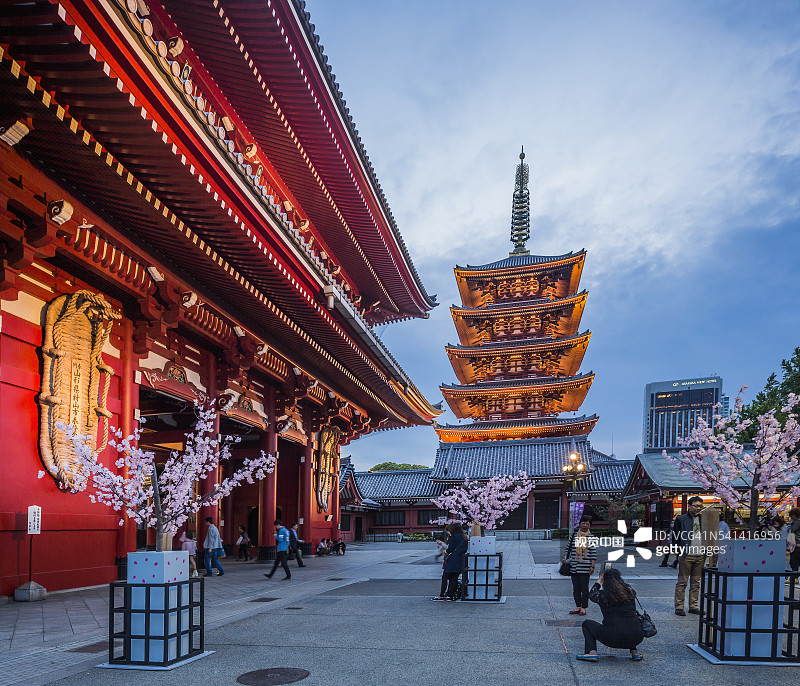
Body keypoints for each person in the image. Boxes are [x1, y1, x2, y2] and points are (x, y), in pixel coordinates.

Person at [576, 567, 645, 662]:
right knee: (628, 622)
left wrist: (599, 580)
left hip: (613, 638)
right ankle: (635, 652)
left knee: (587, 624)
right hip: (637, 637)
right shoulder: (630, 593)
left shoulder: (603, 596)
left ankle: (591, 652)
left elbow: (591, 594)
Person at [673, 496, 704, 615]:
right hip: (686, 554)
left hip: (700, 555)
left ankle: (693, 606)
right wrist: (678, 552)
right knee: (682, 582)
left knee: (696, 582)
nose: (698, 508)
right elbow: (675, 537)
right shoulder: (681, 519)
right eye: (695, 505)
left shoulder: (703, 519)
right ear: (689, 506)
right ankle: (679, 607)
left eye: (700, 506)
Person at [562, 515, 597, 616]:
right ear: (580, 524)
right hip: (574, 566)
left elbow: (593, 552)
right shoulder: (574, 535)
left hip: (585, 567)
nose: (585, 525)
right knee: (576, 588)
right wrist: (565, 558)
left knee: (584, 589)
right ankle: (578, 606)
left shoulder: (591, 537)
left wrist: (592, 566)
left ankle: (584, 608)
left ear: (590, 525)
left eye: (587, 523)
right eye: (583, 523)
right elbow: (568, 548)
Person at [432, 522, 467, 601]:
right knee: (454, 578)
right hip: (460, 560)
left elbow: (449, 549)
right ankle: (449, 595)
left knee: (445, 577)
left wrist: (446, 552)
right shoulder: (464, 537)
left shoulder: (454, 537)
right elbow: (464, 549)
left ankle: (441, 595)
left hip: (452, 561)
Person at [787, 508, 800, 578]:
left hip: (796, 544)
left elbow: (791, 530)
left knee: (794, 561)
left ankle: (795, 577)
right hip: (798, 544)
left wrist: (790, 523)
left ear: (794, 515)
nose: (791, 517)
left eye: (791, 516)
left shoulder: (797, 522)